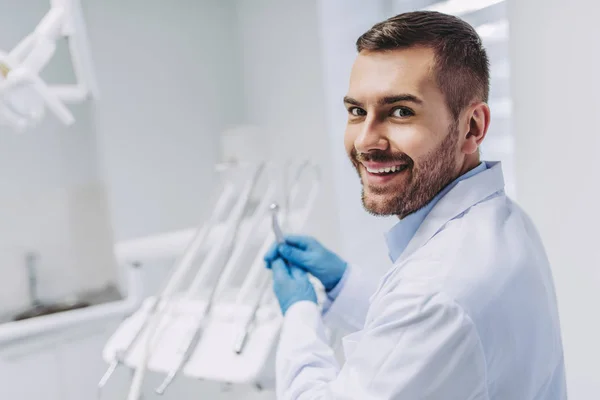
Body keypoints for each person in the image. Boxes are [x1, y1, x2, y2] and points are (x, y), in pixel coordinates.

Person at [264, 10, 567, 400]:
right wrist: (345, 285)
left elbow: (430, 315)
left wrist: (299, 315)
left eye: (401, 112)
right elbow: (428, 342)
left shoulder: (439, 293)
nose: (365, 142)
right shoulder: (506, 221)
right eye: (357, 111)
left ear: (472, 126)